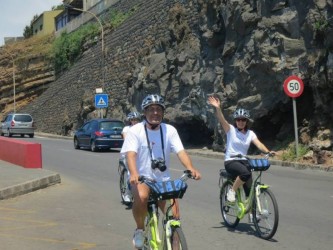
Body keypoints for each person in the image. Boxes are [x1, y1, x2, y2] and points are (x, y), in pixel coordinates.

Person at [121, 94, 201, 249]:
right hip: (142, 178)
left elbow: (181, 152)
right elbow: (131, 155)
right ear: (145, 112)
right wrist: (134, 173)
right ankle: (139, 229)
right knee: (142, 197)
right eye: (151, 109)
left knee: (175, 217)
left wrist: (191, 168)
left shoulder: (169, 130)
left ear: (163, 112)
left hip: (162, 180)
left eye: (159, 109)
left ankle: (174, 243)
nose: (155, 113)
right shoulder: (135, 130)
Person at [208, 95, 275, 202]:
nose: (241, 121)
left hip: (244, 161)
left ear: (246, 121)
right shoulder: (231, 130)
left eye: (243, 119)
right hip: (231, 161)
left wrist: (268, 151)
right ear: (236, 121)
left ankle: (252, 214)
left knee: (250, 189)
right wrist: (217, 107)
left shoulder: (250, 133)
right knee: (245, 173)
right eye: (238, 119)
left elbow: (259, 144)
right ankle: (232, 191)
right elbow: (222, 119)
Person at [120, 111, 141, 204]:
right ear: (130, 120)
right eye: (133, 120)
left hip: (139, 153)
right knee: (131, 174)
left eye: (136, 120)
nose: (135, 121)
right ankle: (127, 194)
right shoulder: (126, 129)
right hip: (128, 153)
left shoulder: (142, 129)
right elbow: (126, 140)